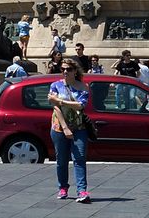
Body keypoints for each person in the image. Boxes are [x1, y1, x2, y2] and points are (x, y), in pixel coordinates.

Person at [49, 57, 91, 203]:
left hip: (79, 127)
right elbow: (55, 107)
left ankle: (82, 191)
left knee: (79, 158)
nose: (65, 72)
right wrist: (65, 127)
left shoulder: (83, 87)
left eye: (68, 69)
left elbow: (81, 105)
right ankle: (63, 188)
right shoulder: (55, 85)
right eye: (63, 69)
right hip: (59, 128)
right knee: (61, 160)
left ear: (75, 71)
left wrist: (60, 101)